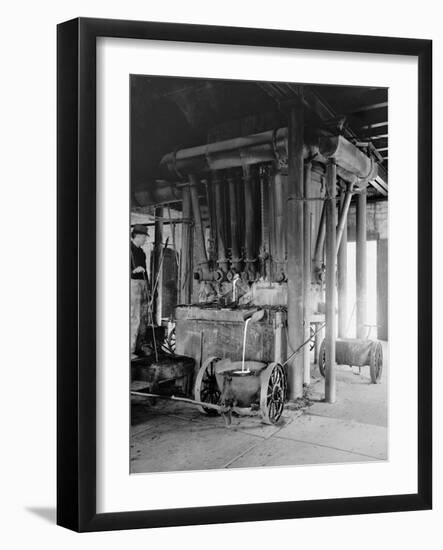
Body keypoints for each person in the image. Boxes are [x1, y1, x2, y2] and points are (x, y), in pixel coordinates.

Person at [130, 224, 150, 359]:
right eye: (143, 237)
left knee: (143, 318)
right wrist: (132, 271)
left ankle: (138, 347)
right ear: (137, 236)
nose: (145, 240)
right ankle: (129, 350)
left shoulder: (141, 252)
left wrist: (148, 288)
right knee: (134, 317)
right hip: (132, 285)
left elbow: (145, 271)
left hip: (143, 285)